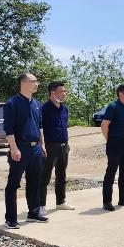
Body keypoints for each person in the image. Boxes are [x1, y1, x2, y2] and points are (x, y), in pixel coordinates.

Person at [2, 73, 49, 229]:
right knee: (13, 184)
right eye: (33, 81)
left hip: (36, 148)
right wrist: (14, 148)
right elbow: (8, 128)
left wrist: (42, 145)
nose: (37, 84)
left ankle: (33, 213)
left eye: (37, 81)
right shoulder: (12, 103)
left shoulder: (37, 103)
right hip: (20, 148)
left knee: (34, 182)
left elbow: (40, 126)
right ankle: (10, 219)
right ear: (23, 83)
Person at [40, 81, 75, 215]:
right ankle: (40, 206)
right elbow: (39, 129)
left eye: (65, 91)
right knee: (44, 176)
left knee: (61, 175)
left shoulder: (64, 108)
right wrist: (42, 145)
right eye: (62, 91)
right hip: (50, 146)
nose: (64, 94)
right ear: (52, 93)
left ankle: (61, 202)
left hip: (64, 145)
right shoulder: (44, 109)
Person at [101, 84, 124, 211]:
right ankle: (107, 201)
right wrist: (109, 140)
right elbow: (104, 125)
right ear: (121, 94)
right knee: (111, 172)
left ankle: (123, 198)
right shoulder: (113, 106)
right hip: (115, 143)